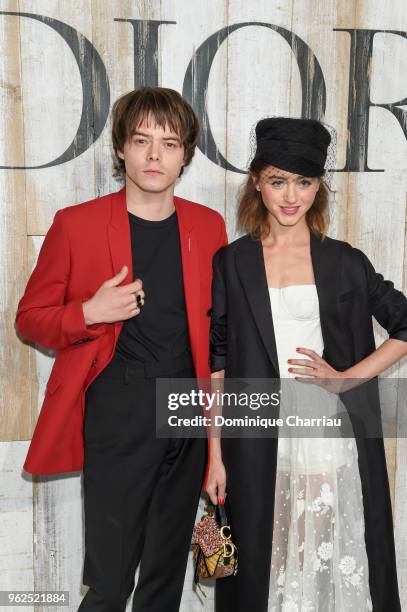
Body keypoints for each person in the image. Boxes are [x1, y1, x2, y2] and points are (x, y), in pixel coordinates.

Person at [15, 86, 227, 612]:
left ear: (186, 154)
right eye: (142, 141)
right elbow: (30, 319)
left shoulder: (208, 226)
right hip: (118, 407)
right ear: (120, 149)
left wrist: (220, 445)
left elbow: (220, 344)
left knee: (164, 577)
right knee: (110, 580)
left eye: (170, 143)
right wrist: (90, 311)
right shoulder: (77, 224)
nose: (155, 155)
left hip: (186, 409)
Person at [206, 117, 406, 611]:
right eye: (277, 181)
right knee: (259, 561)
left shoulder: (344, 260)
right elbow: (218, 362)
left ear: (319, 187)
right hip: (253, 435)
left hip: (323, 434)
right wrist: (213, 453)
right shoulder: (232, 261)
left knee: (318, 556)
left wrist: (346, 379)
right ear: (257, 182)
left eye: (304, 182)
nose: (290, 196)